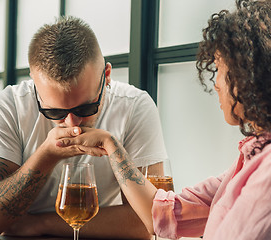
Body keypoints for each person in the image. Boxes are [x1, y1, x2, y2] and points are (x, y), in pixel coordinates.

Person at [57, 0, 271, 239]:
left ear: (250, 74)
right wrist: (112, 146)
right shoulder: (252, 154)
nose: (216, 83)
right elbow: (164, 214)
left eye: (220, 67)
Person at [0, 16, 168, 239]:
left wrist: (40, 224)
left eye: (86, 108)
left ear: (106, 76)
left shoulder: (135, 106)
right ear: (35, 84)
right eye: (54, 112)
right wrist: (47, 155)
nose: (72, 123)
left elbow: (149, 223)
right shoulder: (9, 106)